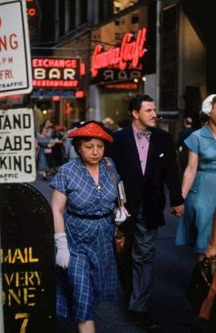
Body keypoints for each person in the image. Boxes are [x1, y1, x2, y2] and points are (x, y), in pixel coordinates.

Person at [107, 94, 184, 331]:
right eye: (149, 110)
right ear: (135, 113)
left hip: (150, 206)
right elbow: (108, 171)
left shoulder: (163, 138)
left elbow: (172, 170)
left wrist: (176, 199)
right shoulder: (117, 139)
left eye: (154, 110)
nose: (154, 114)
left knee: (144, 256)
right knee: (123, 256)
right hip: (122, 208)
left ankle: (138, 307)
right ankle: (131, 292)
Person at [51, 121, 126, 333]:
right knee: (81, 292)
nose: (95, 152)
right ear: (78, 147)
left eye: (100, 146)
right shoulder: (67, 172)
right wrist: (61, 245)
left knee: (92, 292)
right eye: (89, 146)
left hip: (103, 239)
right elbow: (56, 210)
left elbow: (118, 194)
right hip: (75, 242)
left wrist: (119, 211)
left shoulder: (110, 166)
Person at [176, 95, 216, 260]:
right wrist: (180, 198)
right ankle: (203, 277)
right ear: (208, 112)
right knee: (204, 234)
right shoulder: (197, 136)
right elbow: (191, 169)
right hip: (203, 189)